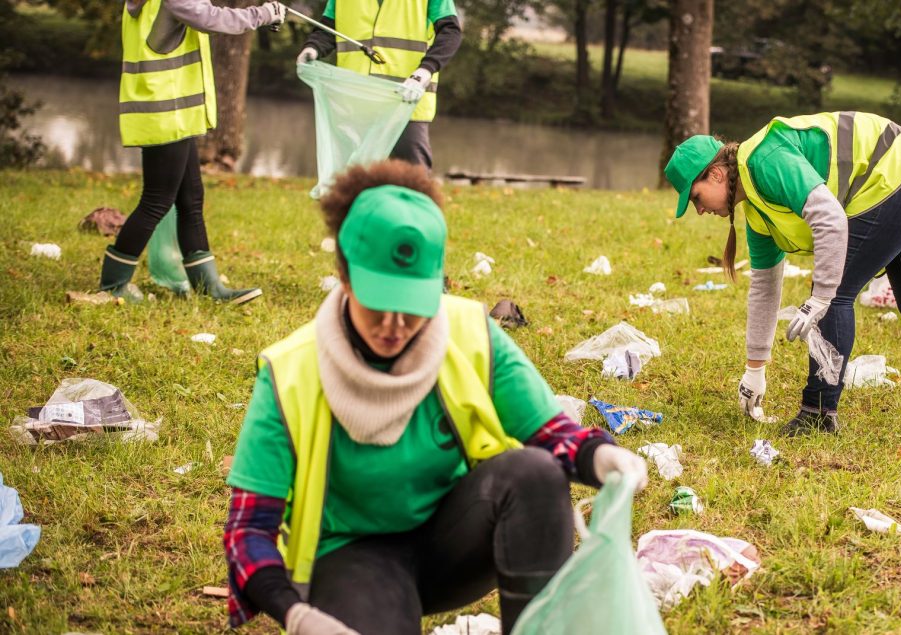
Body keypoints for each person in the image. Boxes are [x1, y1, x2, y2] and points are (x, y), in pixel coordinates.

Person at [222, 161, 649, 634]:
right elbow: (248, 531)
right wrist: (295, 615)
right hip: (353, 557)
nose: (394, 326)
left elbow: (549, 434)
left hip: (455, 537)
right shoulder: (290, 373)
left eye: (412, 307)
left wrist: (600, 455)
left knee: (534, 473)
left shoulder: (470, 334)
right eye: (378, 304)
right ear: (344, 278)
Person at [664, 113, 901, 438]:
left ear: (716, 174)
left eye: (696, 198)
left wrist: (821, 296)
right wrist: (754, 368)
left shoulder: (763, 160)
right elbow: (764, 287)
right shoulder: (758, 211)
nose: (699, 210)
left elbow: (830, 219)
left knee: (836, 294)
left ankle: (817, 414)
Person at [102, 0, 287, 304]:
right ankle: (113, 286)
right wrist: (264, 14)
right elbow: (210, 18)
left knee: (191, 198)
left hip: (172, 111)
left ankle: (210, 288)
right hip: (166, 111)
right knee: (156, 201)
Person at [298, 0, 463, 169]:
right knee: (351, 180)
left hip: (406, 102)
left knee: (413, 180)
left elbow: (450, 32)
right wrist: (313, 48)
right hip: (356, 102)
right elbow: (328, 28)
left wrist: (426, 69)